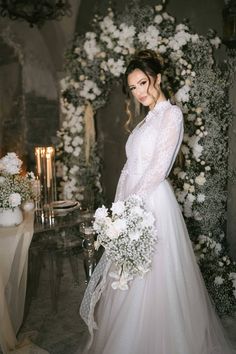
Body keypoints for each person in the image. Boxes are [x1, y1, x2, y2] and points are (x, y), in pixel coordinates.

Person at [79, 50, 235, 354]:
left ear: (158, 78)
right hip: (133, 202)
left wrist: (129, 210)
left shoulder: (171, 114)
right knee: (129, 274)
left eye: (144, 83)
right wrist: (119, 207)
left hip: (152, 205)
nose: (140, 92)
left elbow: (158, 168)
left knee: (153, 275)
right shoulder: (147, 119)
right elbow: (130, 168)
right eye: (134, 88)